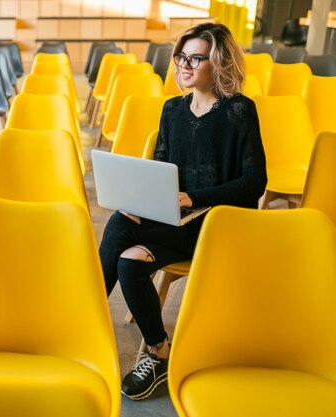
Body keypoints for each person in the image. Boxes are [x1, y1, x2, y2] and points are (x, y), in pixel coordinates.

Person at [98, 23, 268, 400]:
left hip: (218, 223)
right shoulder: (172, 109)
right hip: (175, 222)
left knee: (120, 230)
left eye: (196, 58)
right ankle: (159, 352)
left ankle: (85, 325)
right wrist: (145, 201)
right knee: (128, 253)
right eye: (180, 57)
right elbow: (160, 168)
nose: (184, 65)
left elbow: (254, 183)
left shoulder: (240, 110)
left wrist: (192, 197)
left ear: (219, 62)